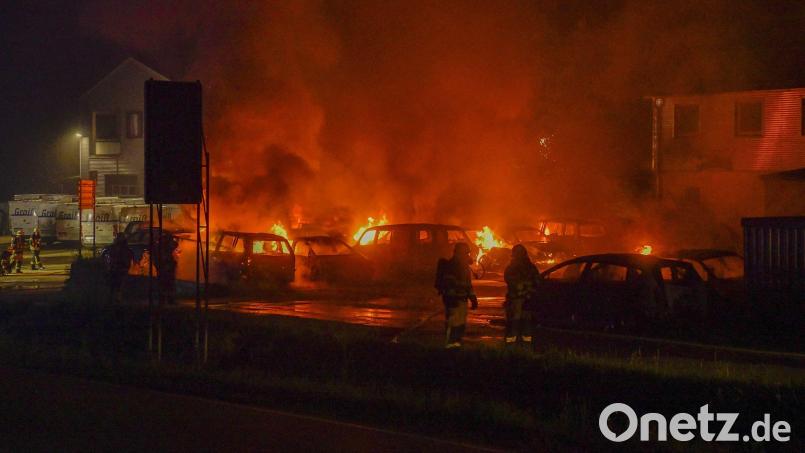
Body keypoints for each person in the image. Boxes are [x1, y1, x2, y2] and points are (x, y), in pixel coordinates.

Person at [435, 242, 478, 349]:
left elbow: (468, 284)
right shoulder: (452, 266)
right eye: (465, 253)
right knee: (453, 322)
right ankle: (449, 345)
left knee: (461, 323)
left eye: (468, 253)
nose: (467, 256)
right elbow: (449, 283)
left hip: (462, 299)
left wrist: (472, 297)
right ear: (458, 253)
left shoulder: (464, 267)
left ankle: (457, 344)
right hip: (453, 299)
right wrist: (451, 298)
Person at [503, 244, 541, 346]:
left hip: (516, 301)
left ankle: (512, 347)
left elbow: (511, 282)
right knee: (525, 324)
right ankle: (524, 347)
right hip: (526, 300)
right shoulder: (531, 268)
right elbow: (537, 283)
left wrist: (523, 288)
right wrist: (528, 291)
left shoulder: (511, 268)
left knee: (514, 324)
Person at [107, 233, 135, 303]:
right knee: (117, 284)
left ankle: (115, 298)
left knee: (116, 284)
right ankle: (116, 298)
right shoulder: (123, 248)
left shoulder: (117, 247)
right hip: (119, 268)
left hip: (119, 268)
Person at [156, 233, 179, 305]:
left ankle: (166, 300)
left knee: (166, 285)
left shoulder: (161, 246)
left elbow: (175, 244)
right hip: (165, 268)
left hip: (164, 268)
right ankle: (167, 300)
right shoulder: (164, 247)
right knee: (167, 285)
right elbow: (175, 244)